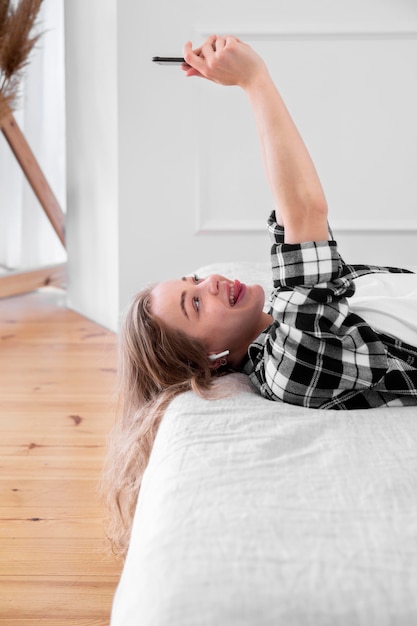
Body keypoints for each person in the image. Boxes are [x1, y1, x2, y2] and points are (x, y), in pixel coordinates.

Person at [102, 35, 417, 556]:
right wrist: (254, 81)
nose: (211, 283)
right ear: (209, 357)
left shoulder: (285, 308)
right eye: (195, 303)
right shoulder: (290, 363)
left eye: (194, 280)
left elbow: (294, 227)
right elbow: (305, 212)